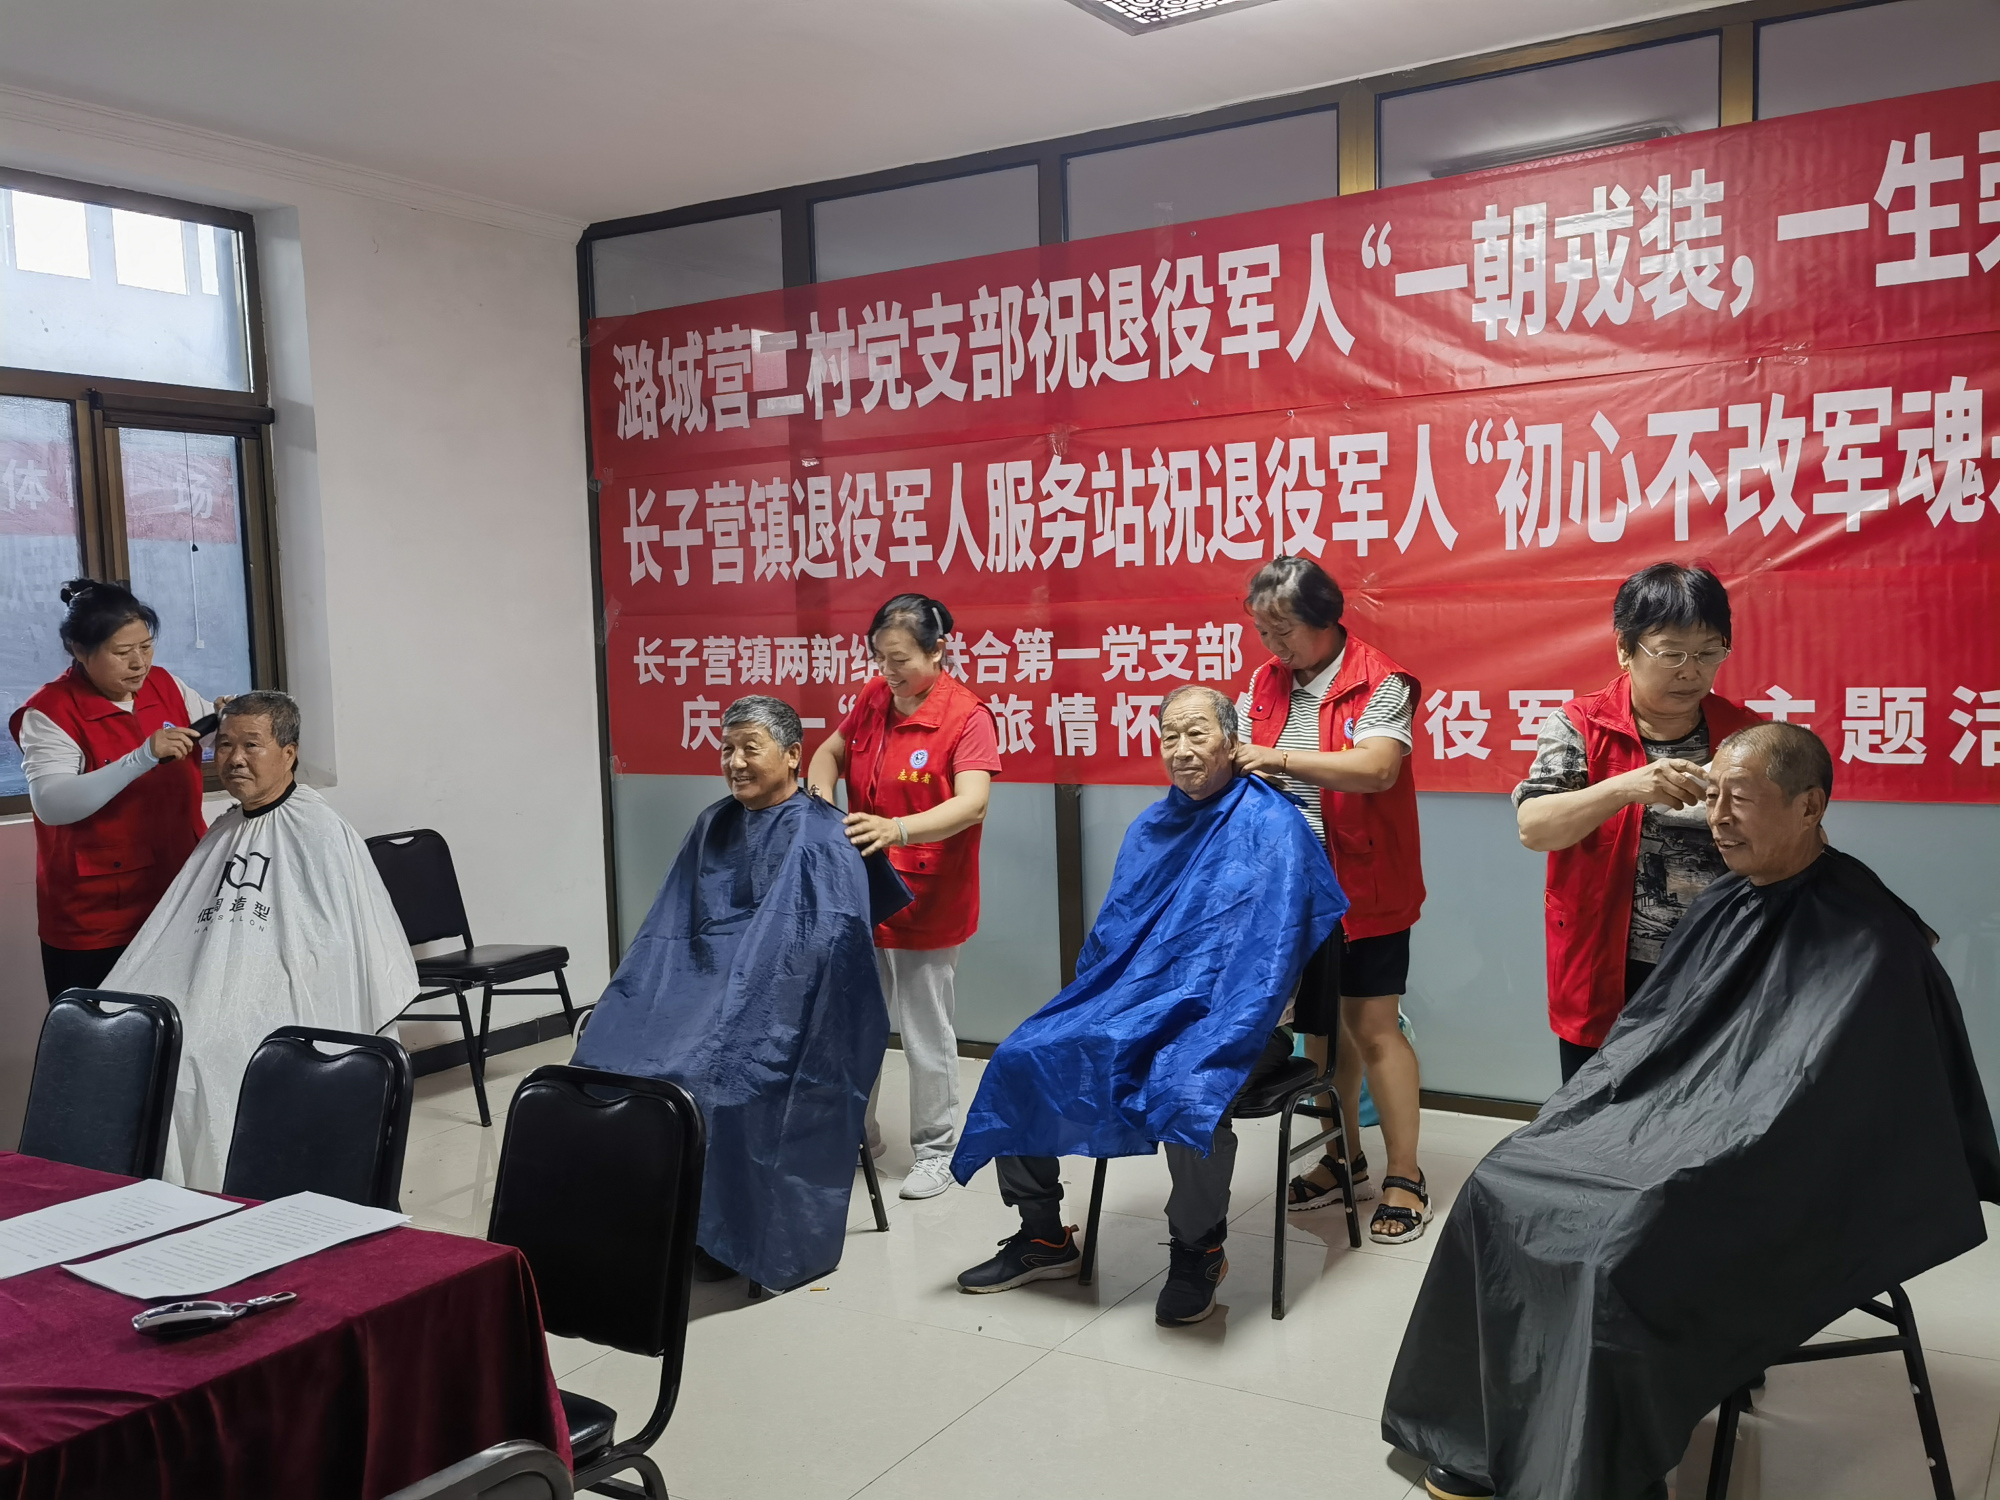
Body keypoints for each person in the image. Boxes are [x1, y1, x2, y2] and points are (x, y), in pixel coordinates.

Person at [1385, 724, 2000, 1500]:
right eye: (1713, 798)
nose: (1718, 820)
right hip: (1679, 1123)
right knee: (1498, 1183)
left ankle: (1609, 1466)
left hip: (1783, 1169)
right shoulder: (1725, 902)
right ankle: (1483, 1431)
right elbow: (1651, 1042)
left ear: (1810, 806)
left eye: (1739, 800)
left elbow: (1829, 1108)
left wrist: (1700, 1140)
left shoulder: (1873, 938)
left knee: (1620, 1244)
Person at [951, 686, 1347, 1326]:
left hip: (1243, 1022)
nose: (1182, 750)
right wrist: (1114, 1009)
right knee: (1025, 1054)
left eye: (1198, 734)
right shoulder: (1152, 828)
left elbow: (1270, 957)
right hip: (1142, 1007)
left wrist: (1206, 1014)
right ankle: (1043, 1235)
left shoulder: (1275, 825)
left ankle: (1199, 1250)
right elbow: (1115, 938)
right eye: (1170, 737)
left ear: (1232, 741)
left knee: (1186, 1086)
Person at [573, 696, 910, 1291]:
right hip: (698, 995)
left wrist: (736, 1007)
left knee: (715, 1081)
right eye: (726, 749)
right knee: (601, 1060)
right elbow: (668, 933)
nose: (734, 762)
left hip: (784, 1014)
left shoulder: (826, 836)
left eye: (750, 748)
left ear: (793, 755)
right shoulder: (713, 824)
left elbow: (822, 957)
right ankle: (643, 1213)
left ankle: (720, 1232)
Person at [104, 692, 417, 1191]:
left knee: (210, 1055)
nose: (234, 758)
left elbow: (337, 949)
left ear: (289, 754)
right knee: (143, 1038)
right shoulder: (224, 829)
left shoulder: (321, 831)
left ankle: (234, 1193)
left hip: (287, 999)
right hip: (209, 989)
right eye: (225, 744)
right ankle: (167, 1198)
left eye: (252, 745)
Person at [1231, 556, 1431, 1245]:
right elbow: (1240, 756)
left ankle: (1405, 1174)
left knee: (1374, 1028)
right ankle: (1343, 1158)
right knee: (1317, 1032)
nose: (1273, 645)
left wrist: (1277, 759)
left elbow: (1376, 768)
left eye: (1283, 629)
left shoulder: (1382, 681)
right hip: (1291, 891)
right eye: (1263, 631)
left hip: (1365, 887)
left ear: (1326, 619)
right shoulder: (1266, 682)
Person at [1514, 562, 1762, 1084]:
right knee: (1597, 1107)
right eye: (1671, 653)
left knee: (1702, 1104)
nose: (1691, 671)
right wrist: (1627, 787)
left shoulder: (1744, 735)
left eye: (1709, 653)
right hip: (1608, 962)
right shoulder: (1580, 725)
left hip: (1717, 959)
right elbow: (1535, 828)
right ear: (1625, 650)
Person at [806, 594, 1000, 1202]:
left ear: (938, 650)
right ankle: (856, 1137)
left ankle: (937, 1151)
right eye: (880, 658)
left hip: (926, 897)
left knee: (924, 1031)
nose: (887, 672)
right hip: (862, 890)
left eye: (900, 660)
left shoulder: (967, 715)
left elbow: (972, 804)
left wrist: (898, 830)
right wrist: (819, 799)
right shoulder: (874, 697)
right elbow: (830, 752)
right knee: (854, 1023)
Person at [9, 579, 219, 1001]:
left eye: (146, 647)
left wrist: (231, 718)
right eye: (122, 653)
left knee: (182, 1023)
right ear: (79, 650)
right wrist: (141, 758)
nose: (139, 663)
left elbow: (212, 736)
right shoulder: (50, 712)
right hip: (98, 919)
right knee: (104, 1033)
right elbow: (52, 804)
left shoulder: (166, 685)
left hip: (178, 895)